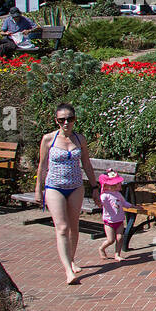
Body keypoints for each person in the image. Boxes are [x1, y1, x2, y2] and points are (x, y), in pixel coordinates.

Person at [34, 104, 98, 285]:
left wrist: (94, 186)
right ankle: (68, 270)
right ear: (56, 121)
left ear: (75, 119)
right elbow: (42, 165)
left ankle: (71, 259)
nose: (66, 123)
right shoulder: (48, 139)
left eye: (70, 119)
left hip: (76, 187)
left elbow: (86, 164)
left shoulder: (80, 139)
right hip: (54, 187)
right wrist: (38, 189)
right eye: (62, 120)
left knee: (74, 227)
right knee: (62, 228)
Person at [95, 169, 133, 261]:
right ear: (109, 186)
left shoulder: (118, 194)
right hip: (109, 221)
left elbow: (124, 203)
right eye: (117, 184)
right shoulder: (105, 195)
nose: (120, 185)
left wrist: (132, 206)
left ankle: (117, 254)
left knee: (120, 238)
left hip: (119, 220)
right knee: (111, 240)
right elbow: (101, 202)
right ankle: (102, 248)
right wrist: (99, 203)